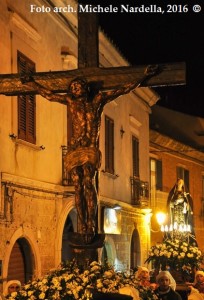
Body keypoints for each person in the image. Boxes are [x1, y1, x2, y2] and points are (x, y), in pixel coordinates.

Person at [21, 65, 159, 241]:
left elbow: (122, 89)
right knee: (77, 185)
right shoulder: (70, 102)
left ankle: (91, 223)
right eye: (73, 88)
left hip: (90, 148)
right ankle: (82, 223)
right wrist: (32, 83)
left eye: (78, 86)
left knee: (88, 179)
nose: (75, 89)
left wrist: (143, 77)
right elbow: (49, 94)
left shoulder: (97, 100)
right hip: (75, 149)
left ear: (85, 88)